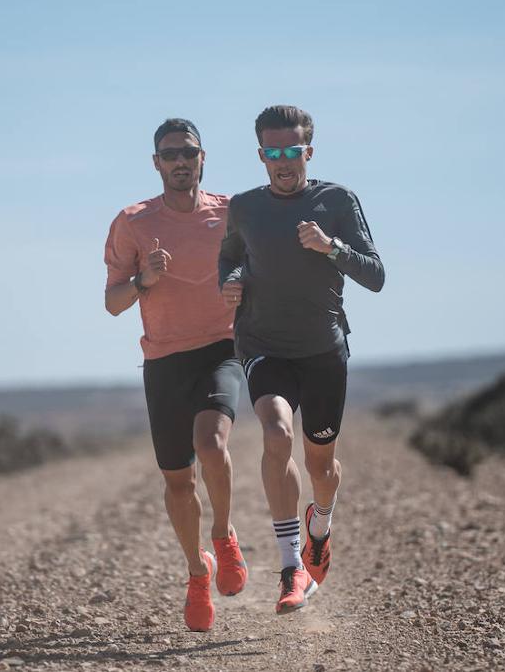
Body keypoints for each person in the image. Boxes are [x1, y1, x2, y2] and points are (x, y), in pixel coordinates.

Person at [218, 104, 384, 614]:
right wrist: (230, 282)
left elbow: (375, 275)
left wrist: (331, 247)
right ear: (261, 155)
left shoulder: (336, 200)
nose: (283, 160)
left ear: (308, 151)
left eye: (292, 150)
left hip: (324, 350)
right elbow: (228, 259)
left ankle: (321, 526)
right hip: (264, 345)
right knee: (276, 434)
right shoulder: (244, 207)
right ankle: (291, 570)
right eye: (273, 151)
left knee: (322, 465)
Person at [103, 118, 249, 632]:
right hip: (164, 360)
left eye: (188, 151)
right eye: (170, 154)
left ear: (202, 156)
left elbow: (262, 270)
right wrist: (145, 279)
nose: (180, 160)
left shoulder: (232, 213)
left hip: (221, 348)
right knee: (178, 480)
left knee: (212, 445)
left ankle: (225, 538)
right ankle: (196, 573)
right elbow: (113, 303)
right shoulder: (134, 221)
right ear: (156, 163)